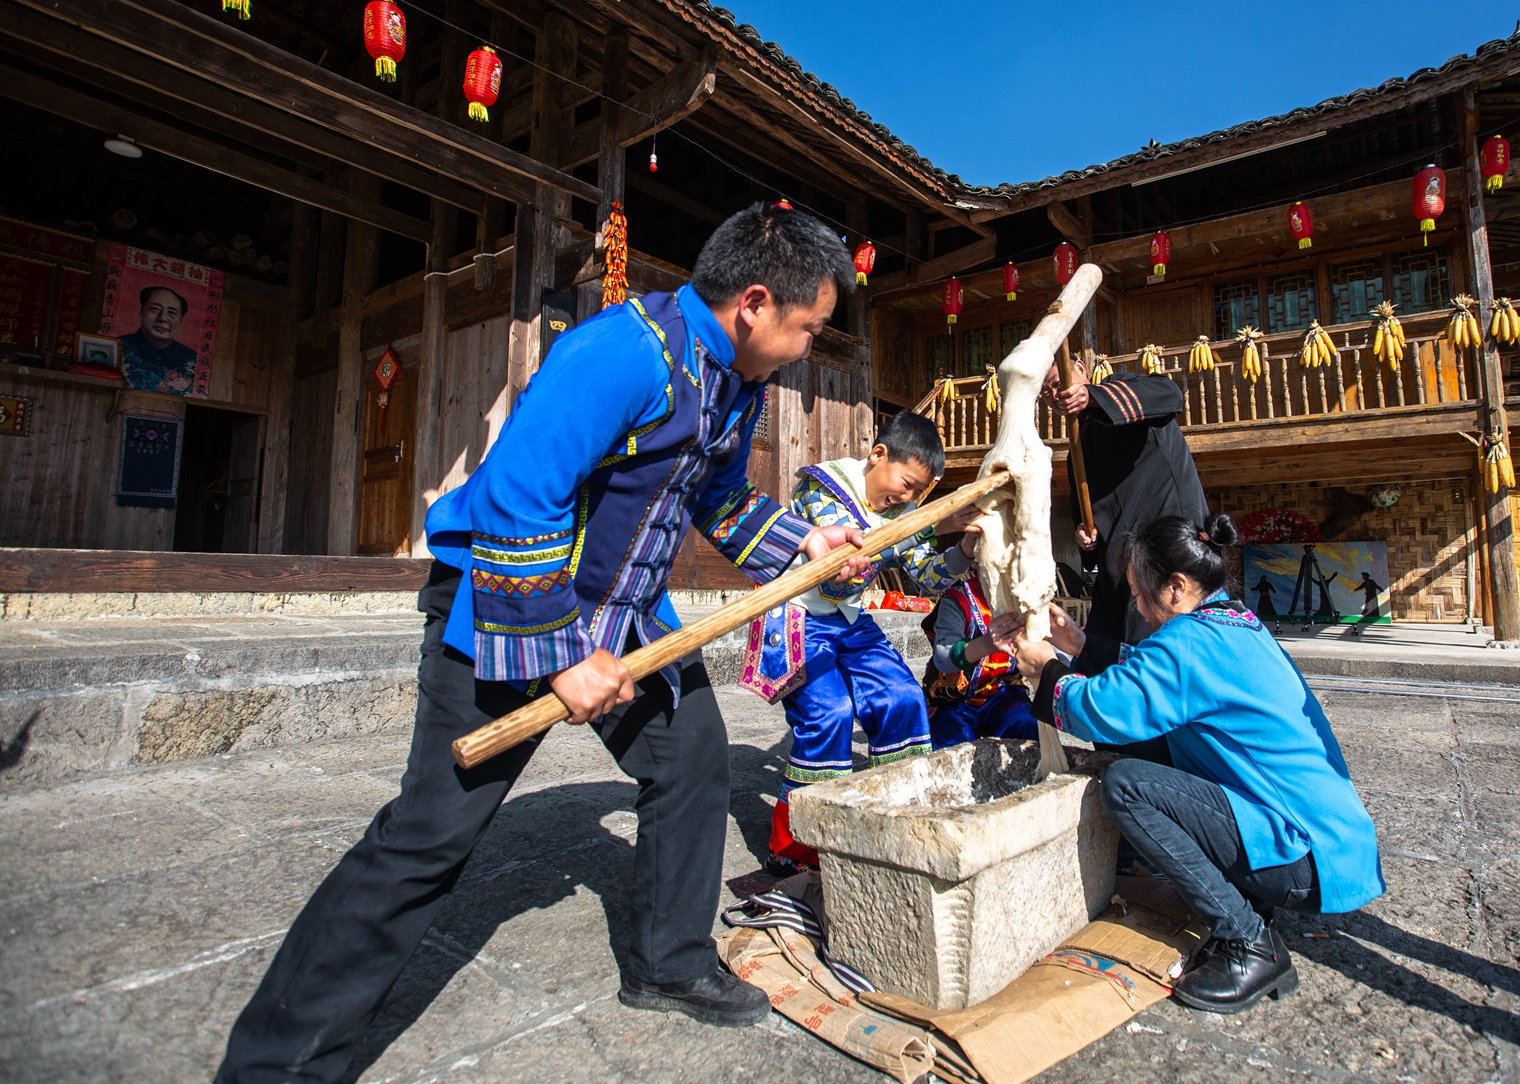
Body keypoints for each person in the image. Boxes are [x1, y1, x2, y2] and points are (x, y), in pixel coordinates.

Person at [216, 203, 871, 1082]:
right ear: (755, 302)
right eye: (806, 328)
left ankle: (669, 965)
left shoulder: (735, 384)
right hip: (502, 604)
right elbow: (517, 503)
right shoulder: (620, 352)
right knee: (426, 837)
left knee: (693, 762)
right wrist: (563, 656)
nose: (804, 349)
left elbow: (714, 498)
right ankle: (273, 1066)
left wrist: (806, 547)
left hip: (625, 617)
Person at [1009, 512, 1385, 1015]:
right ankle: (1252, 903)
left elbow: (1109, 709)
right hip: (1325, 844)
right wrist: (1079, 646)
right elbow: (1150, 673)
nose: (1138, 609)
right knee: (1155, 750)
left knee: (1126, 785)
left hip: (1303, 855)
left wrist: (1048, 670)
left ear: (1177, 587)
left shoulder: (1192, 642)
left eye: (1141, 595)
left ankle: (1250, 942)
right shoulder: (1233, 625)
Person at [757, 412, 978, 874]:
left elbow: (926, 574)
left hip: (849, 618)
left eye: (919, 492)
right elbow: (850, 556)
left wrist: (962, 548)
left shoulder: (905, 512)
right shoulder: (822, 486)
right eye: (908, 483)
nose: (909, 497)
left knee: (902, 698)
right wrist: (933, 523)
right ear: (878, 455)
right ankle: (794, 846)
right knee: (830, 712)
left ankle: (896, 822)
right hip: (797, 614)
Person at [1043, 358, 1209, 644]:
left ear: (1081, 368)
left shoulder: (1124, 389)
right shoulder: (1077, 449)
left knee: (1165, 653)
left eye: (1058, 383)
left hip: (1168, 553)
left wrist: (1091, 396)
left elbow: (1169, 395)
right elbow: (1082, 516)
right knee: (1102, 654)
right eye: (1045, 392)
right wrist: (1085, 535)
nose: (1055, 395)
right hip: (1119, 570)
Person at [922, 575, 1036, 748]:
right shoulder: (959, 599)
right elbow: (944, 656)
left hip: (1002, 691)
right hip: (955, 698)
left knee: (1027, 723)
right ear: (977, 561)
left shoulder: (1024, 599)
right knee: (952, 747)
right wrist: (987, 644)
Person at [120, 284, 198, 393]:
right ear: (141, 312)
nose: (162, 318)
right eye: (155, 309)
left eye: (172, 313)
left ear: (181, 322)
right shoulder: (119, 347)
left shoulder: (192, 360)